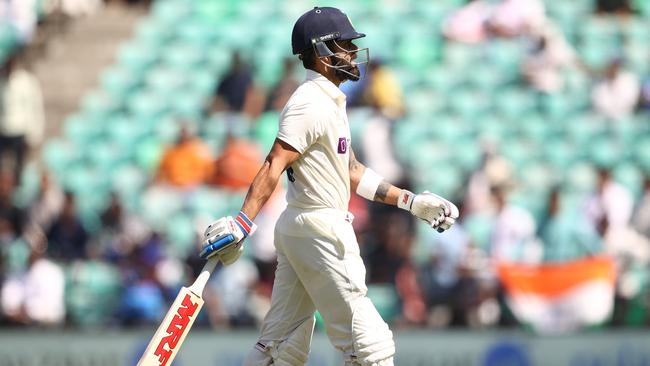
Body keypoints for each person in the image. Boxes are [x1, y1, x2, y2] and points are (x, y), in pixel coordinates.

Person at [198, 7, 459, 365]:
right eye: (345, 45)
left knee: (279, 348)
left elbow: (350, 170)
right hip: (320, 229)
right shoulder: (308, 103)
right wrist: (243, 222)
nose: (352, 53)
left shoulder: (330, 103)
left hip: (304, 228)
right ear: (321, 53)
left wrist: (410, 202)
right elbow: (274, 162)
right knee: (372, 347)